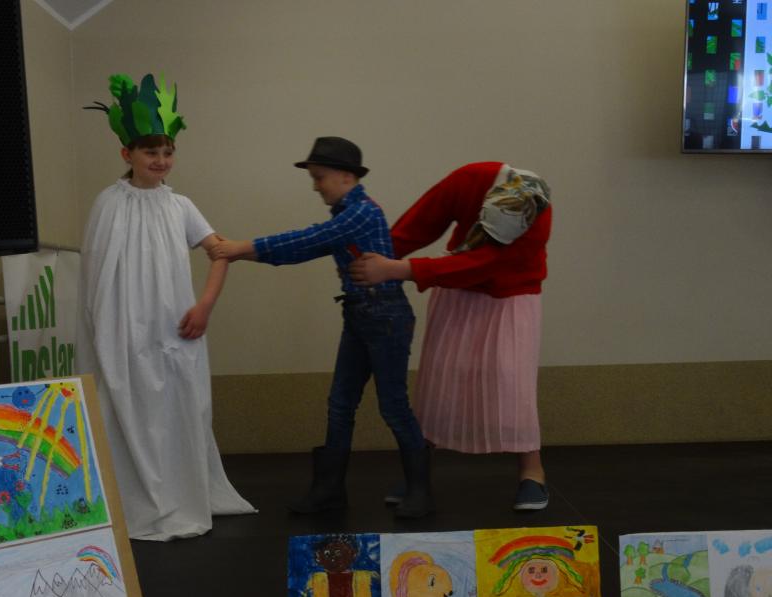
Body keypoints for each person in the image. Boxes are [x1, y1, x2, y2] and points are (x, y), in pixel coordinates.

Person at [207, 136, 433, 518]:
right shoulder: (350, 213)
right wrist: (246, 252)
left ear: (346, 176)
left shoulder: (360, 213)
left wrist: (242, 248)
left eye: (319, 177)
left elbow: (310, 240)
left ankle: (420, 490)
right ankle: (329, 490)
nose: (315, 186)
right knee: (340, 404)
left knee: (393, 405)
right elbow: (307, 245)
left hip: (384, 316)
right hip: (362, 314)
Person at [77, 73, 256, 541]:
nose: (160, 160)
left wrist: (205, 306)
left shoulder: (181, 206)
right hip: (124, 331)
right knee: (127, 406)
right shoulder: (107, 204)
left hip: (175, 328)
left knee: (177, 407)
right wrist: (107, 328)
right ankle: (130, 497)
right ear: (127, 154)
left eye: (167, 152)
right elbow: (96, 277)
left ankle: (178, 492)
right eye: (150, 152)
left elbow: (221, 252)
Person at [348, 162, 552, 510]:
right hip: (456, 286)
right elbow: (417, 227)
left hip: (514, 295)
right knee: (438, 380)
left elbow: (486, 262)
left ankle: (532, 472)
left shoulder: (536, 211)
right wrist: (368, 257)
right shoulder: (468, 180)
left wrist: (398, 269)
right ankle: (417, 471)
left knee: (513, 383)